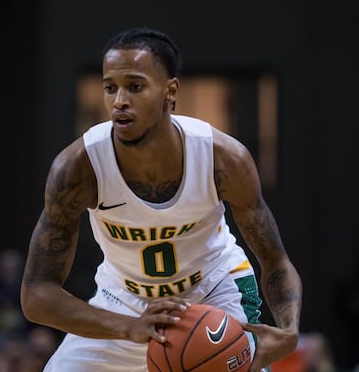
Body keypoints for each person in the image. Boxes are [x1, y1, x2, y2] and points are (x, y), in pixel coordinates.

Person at [20, 27, 302, 372]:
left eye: (135, 87)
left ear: (170, 92)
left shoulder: (223, 159)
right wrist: (128, 326)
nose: (119, 100)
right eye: (110, 88)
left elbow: (275, 260)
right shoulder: (78, 168)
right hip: (123, 303)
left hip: (210, 294)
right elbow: (36, 294)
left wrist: (289, 330)